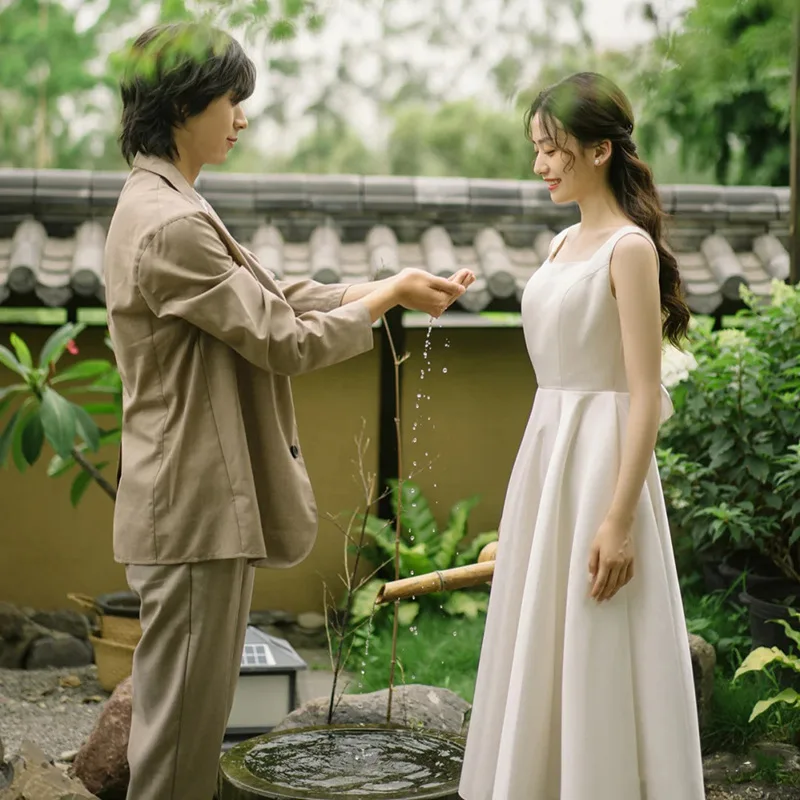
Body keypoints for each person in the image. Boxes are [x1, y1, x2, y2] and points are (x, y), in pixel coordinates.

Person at [104, 22, 474, 800]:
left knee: (186, 726)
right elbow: (283, 340)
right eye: (234, 98)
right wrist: (384, 300)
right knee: (178, 744)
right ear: (186, 101)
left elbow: (272, 298)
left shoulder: (167, 202)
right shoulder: (169, 221)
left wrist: (382, 287)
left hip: (192, 505)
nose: (241, 117)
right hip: (195, 505)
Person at [458, 72, 705, 800]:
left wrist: (619, 520)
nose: (540, 165)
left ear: (600, 150)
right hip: (550, 456)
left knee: (598, 640)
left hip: (604, 467)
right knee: (544, 641)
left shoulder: (628, 250)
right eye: (536, 149)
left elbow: (644, 393)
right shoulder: (565, 238)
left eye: (553, 149)